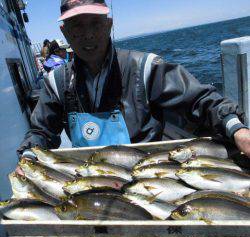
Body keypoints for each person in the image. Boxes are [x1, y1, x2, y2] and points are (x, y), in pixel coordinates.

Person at [18, 0, 250, 160]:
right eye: (77, 26)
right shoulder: (56, 83)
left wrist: (237, 129)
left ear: (109, 25)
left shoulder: (146, 67)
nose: (88, 34)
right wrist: (30, 153)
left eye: (95, 23)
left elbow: (201, 99)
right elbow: (41, 131)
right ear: (64, 31)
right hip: (91, 174)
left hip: (149, 174)